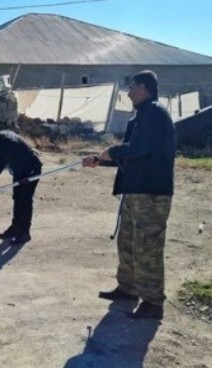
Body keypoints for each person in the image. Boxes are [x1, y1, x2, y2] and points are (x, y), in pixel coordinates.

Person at [82, 70, 175, 319]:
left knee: (147, 246)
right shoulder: (139, 118)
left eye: (133, 87)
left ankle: (153, 302)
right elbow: (130, 155)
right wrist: (99, 161)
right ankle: (128, 288)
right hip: (134, 191)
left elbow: (140, 148)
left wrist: (110, 152)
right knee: (128, 242)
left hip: (151, 193)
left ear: (145, 88)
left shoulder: (155, 113)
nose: (129, 92)